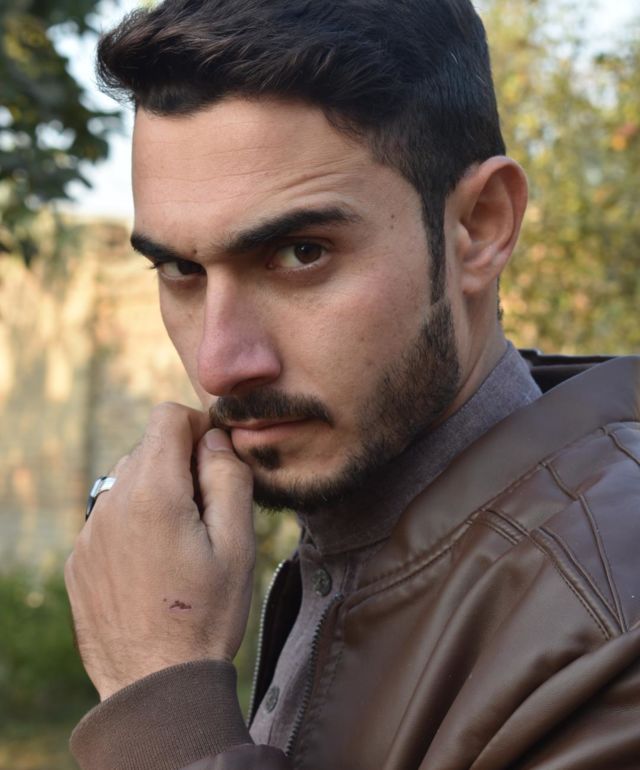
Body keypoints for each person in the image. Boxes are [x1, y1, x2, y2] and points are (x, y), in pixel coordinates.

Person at [64, 0, 640, 768]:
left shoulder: (611, 624)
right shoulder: (364, 537)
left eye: (301, 253)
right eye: (181, 269)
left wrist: (161, 698)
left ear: (480, 225)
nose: (219, 364)